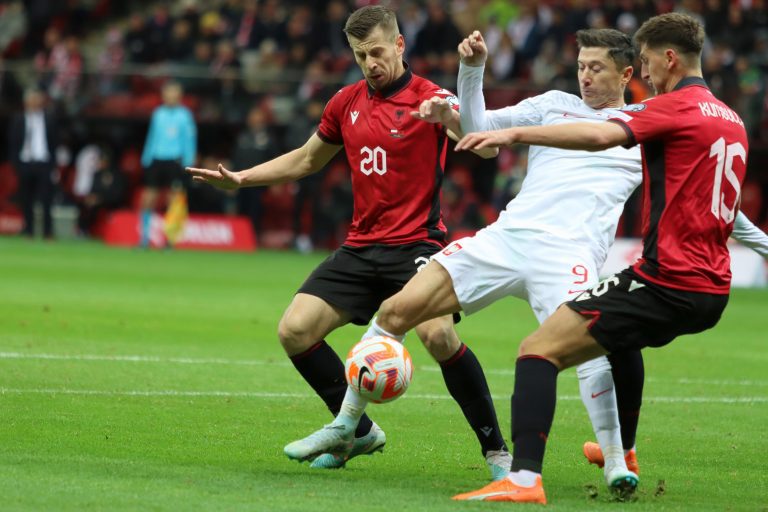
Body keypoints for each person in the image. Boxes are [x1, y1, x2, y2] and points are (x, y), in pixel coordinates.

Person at [296, 16, 755, 502]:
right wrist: (471, 71)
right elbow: (478, 129)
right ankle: (347, 425)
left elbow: (717, 202)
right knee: (396, 311)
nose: (584, 77)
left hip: (569, 255)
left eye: (596, 68)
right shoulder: (553, 106)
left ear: (626, 76)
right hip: (506, 238)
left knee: (585, 355)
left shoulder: (641, 126)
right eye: (580, 66)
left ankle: (617, 462)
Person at [187, 6, 511, 479]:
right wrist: (241, 179)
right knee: (294, 330)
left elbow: (487, 144)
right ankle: (359, 433)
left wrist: (451, 117)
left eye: (377, 52)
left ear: (399, 46)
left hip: (417, 245)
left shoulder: (431, 98)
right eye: (360, 55)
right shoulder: (345, 102)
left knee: (438, 334)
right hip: (361, 247)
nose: (369, 63)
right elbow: (305, 160)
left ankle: (498, 454)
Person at [139, 81, 197, 248]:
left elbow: (189, 139)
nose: (170, 97)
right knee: (148, 197)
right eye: (168, 93)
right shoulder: (158, 114)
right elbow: (152, 136)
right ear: (163, 96)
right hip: (157, 158)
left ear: (179, 96)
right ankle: (144, 238)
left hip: (175, 160)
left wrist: (188, 161)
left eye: (174, 93)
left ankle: (170, 239)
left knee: (174, 199)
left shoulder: (185, 115)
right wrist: (146, 157)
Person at [8, 87, 58, 239]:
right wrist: (16, 165)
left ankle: (47, 232)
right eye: (32, 99)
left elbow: (55, 142)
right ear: (26, 102)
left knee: (46, 199)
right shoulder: (18, 120)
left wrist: (53, 164)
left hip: (44, 163)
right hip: (25, 163)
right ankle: (28, 230)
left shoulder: (49, 119)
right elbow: (13, 143)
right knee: (26, 199)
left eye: (37, 99)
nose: (34, 102)